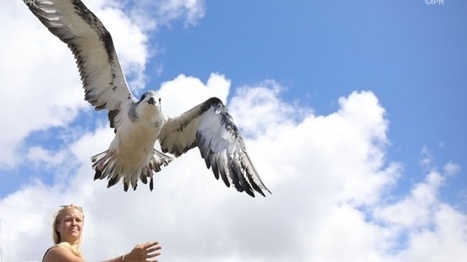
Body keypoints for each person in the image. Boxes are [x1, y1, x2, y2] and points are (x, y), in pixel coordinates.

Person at [42, 204, 161, 262]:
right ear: (57, 226)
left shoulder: (78, 256)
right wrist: (127, 259)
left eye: (78, 220)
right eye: (68, 220)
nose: (74, 223)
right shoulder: (56, 252)